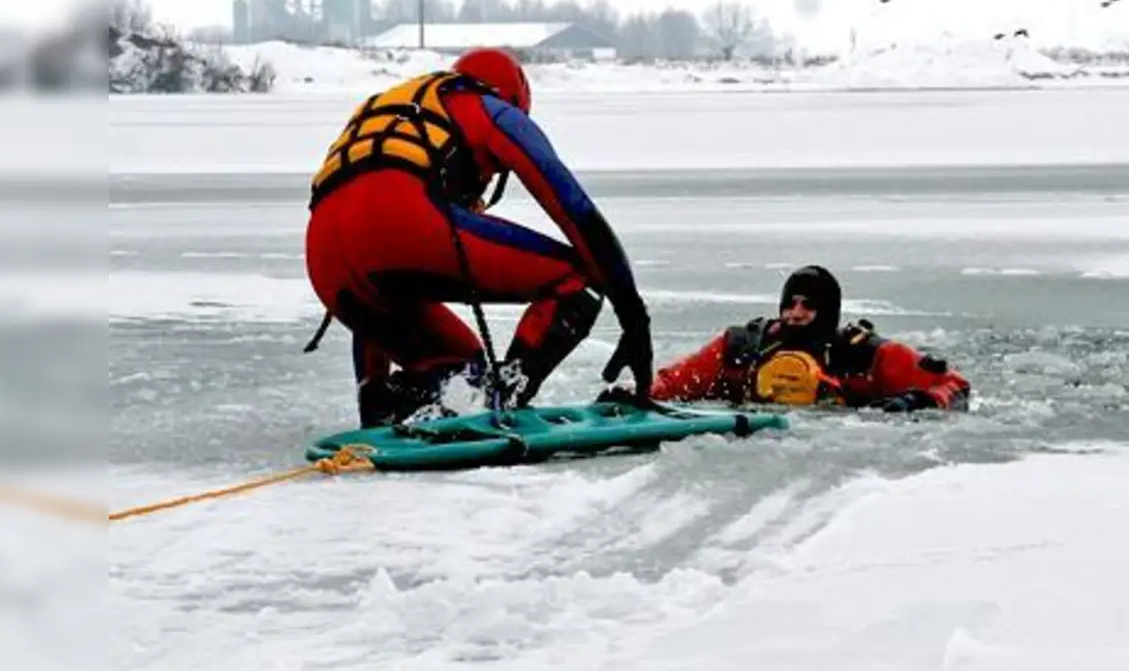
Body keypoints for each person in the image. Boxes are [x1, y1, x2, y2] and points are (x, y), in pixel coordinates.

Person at [302, 47, 653, 427]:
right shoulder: (489, 108)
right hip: (403, 221)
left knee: (459, 363)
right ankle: (504, 399)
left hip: (324, 259)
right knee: (578, 279)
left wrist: (371, 390)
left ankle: (386, 408)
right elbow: (574, 208)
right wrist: (634, 319)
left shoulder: (401, 112)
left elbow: (367, 258)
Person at [633, 265, 970, 412]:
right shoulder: (740, 347)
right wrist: (636, 395)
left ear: (828, 311)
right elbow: (674, 383)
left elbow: (954, 386)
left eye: (808, 305)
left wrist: (916, 401)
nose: (795, 313)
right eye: (790, 304)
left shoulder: (865, 354)